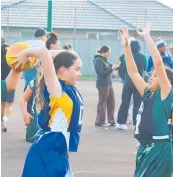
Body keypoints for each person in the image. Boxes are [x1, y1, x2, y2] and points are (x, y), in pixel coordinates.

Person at [14, 48, 83, 177]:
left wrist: (66, 55)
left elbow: (54, 55)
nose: (80, 74)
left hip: (57, 146)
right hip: (49, 146)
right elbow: (44, 53)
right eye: (77, 69)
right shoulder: (57, 89)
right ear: (63, 70)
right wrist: (25, 53)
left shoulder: (69, 88)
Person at [120, 24, 173, 177]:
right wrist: (126, 46)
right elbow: (132, 71)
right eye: (152, 74)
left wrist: (147, 37)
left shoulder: (166, 94)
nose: (151, 76)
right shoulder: (148, 93)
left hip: (158, 149)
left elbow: (158, 62)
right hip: (146, 148)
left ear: (165, 81)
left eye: (156, 75)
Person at [116, 40, 147, 129]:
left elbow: (124, 68)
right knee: (138, 103)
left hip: (128, 81)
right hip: (138, 82)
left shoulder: (126, 56)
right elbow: (145, 67)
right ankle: (137, 123)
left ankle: (120, 122)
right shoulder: (143, 57)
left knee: (125, 102)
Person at [93, 45, 121, 127]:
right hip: (102, 84)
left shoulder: (104, 60)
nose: (109, 54)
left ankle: (111, 120)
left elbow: (111, 67)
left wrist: (116, 66)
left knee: (111, 102)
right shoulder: (98, 60)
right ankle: (100, 121)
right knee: (102, 103)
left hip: (109, 83)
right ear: (104, 52)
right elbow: (101, 73)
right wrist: (112, 68)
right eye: (108, 53)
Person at [1, 37, 15, 132]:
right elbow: (9, 49)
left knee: (2, 102)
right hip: (9, 81)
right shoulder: (6, 48)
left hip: (1, 81)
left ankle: (2, 121)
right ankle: (5, 120)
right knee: (9, 103)